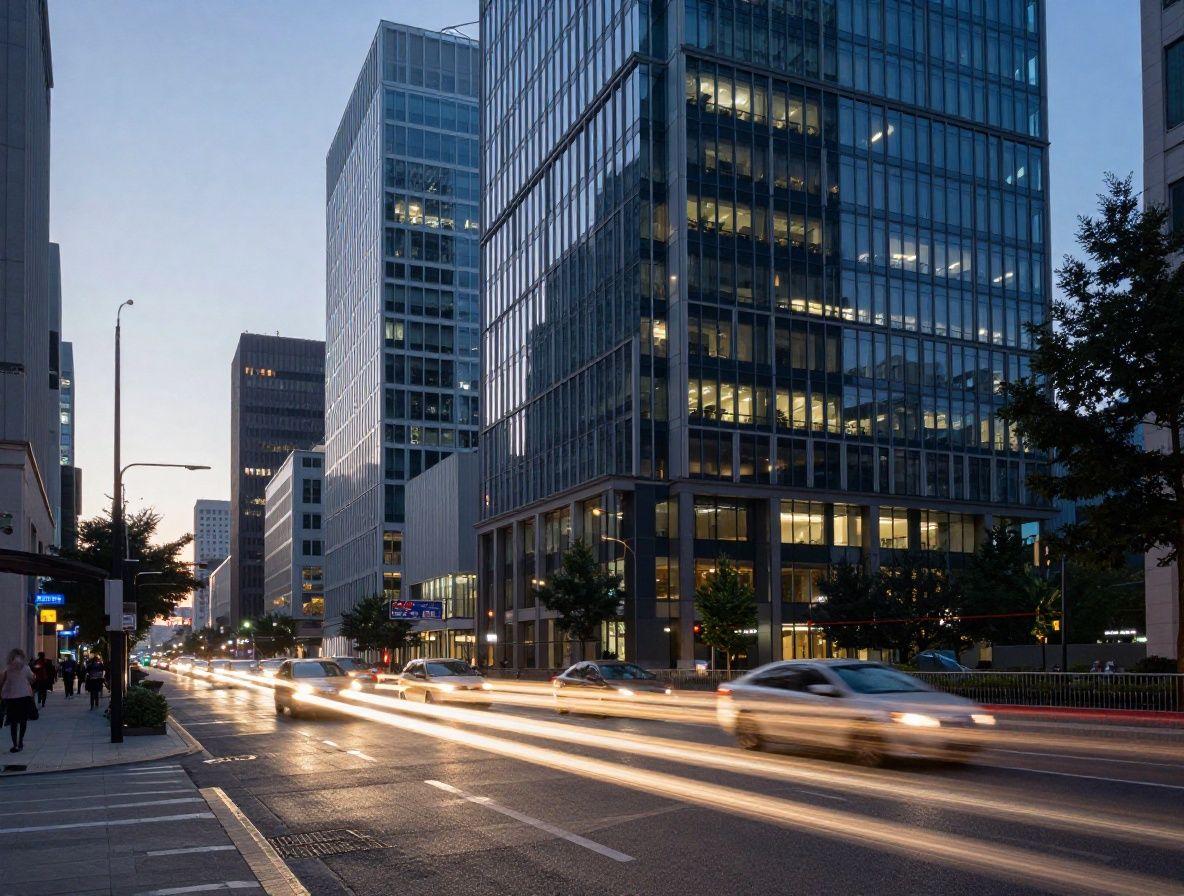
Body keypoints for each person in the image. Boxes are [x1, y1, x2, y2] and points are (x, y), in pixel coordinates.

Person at [0, 648, 36, 752]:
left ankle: (15, 744)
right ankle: (21, 741)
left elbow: (2, 682)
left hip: (12, 698)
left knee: (13, 722)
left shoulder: (8, 669)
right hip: (24, 696)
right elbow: (32, 678)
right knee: (23, 720)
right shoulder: (25, 668)